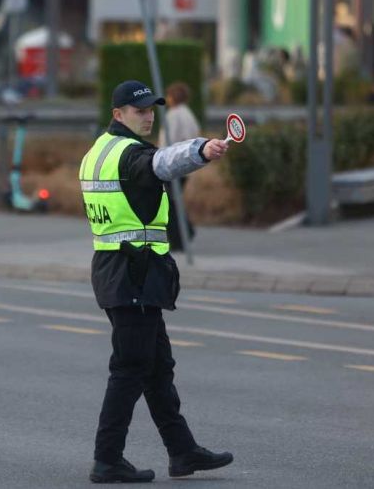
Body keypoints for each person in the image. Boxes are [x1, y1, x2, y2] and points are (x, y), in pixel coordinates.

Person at [81, 80, 233, 483]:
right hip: (133, 272)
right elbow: (162, 163)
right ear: (118, 114)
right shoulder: (131, 155)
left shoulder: (98, 151)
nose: (148, 115)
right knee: (131, 368)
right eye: (139, 110)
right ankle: (107, 459)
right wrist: (201, 149)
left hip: (123, 272)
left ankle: (183, 452)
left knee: (156, 367)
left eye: (151, 109)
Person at [160, 82, 201, 251]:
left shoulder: (174, 115)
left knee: (169, 203)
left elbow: (168, 139)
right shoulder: (188, 114)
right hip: (185, 164)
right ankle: (186, 231)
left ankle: (180, 237)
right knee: (173, 201)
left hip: (172, 164)